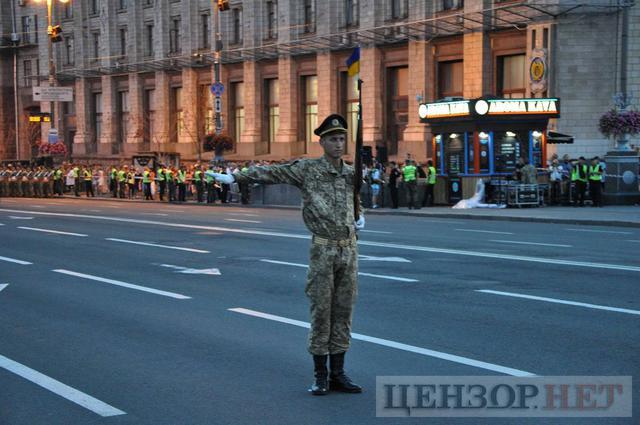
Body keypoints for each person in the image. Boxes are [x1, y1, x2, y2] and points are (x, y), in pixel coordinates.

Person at [206, 114, 365, 396]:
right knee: (321, 311)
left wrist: (361, 216)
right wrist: (234, 176)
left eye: (342, 139)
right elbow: (273, 172)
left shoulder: (351, 172)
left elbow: (355, 201)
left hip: (349, 250)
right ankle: (320, 375)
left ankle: (338, 373)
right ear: (322, 142)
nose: (339, 144)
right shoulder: (307, 169)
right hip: (324, 248)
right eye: (333, 139)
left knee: (343, 311)